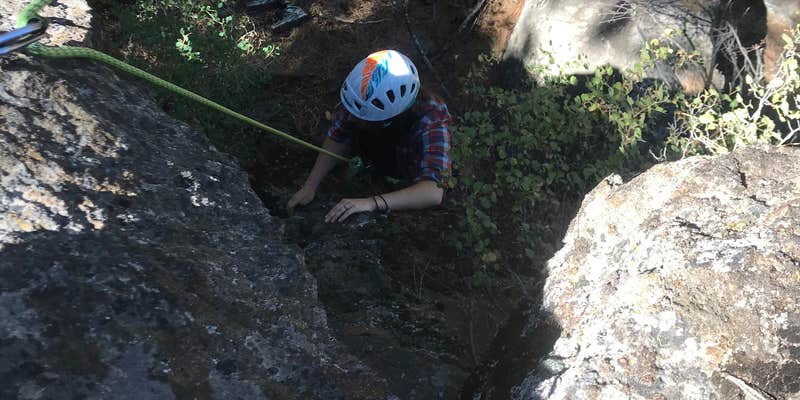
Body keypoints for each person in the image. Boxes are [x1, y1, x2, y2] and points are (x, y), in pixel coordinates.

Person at [286, 49, 452, 223]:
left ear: (389, 117)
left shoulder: (432, 119)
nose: (349, 117)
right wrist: (310, 186)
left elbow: (433, 191)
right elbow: (338, 136)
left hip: (405, 172)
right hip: (378, 152)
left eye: (359, 117)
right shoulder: (361, 96)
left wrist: (371, 203)